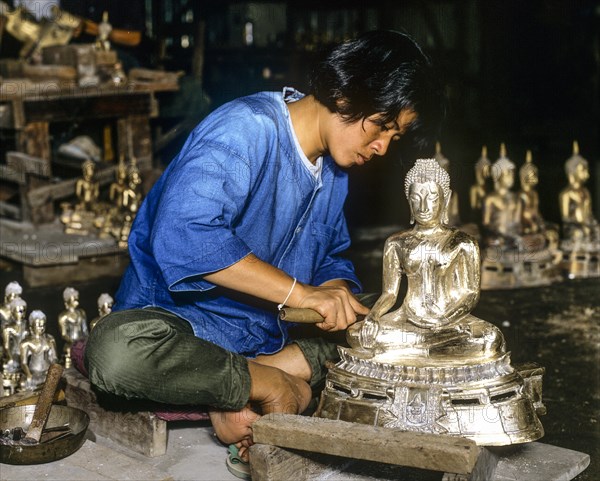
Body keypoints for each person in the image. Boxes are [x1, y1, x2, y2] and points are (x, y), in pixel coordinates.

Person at [85, 30, 444, 466]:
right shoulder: (247, 128)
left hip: (268, 336)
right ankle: (275, 385)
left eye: (396, 137)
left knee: (407, 315)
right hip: (183, 327)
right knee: (114, 352)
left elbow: (330, 254)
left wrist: (335, 296)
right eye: (382, 126)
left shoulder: (335, 172)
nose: (384, 147)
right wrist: (304, 295)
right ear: (348, 93)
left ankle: (248, 380)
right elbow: (186, 234)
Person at [347, 158, 505, 361]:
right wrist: (373, 317)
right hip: (408, 319)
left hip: (449, 322)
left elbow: (470, 294)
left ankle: (414, 354)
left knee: (491, 338)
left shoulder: (463, 242)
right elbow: (389, 293)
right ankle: (430, 353)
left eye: (431, 197)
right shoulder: (397, 243)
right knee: (357, 335)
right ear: (408, 201)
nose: (423, 206)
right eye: (416, 198)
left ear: (445, 200)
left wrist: (443, 319)